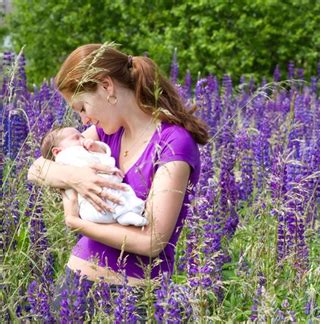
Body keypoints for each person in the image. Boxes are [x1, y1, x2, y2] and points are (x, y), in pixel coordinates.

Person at [27, 43, 209, 317]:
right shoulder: (105, 134)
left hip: (136, 297)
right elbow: (37, 169)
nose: (84, 118)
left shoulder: (173, 143)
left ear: (106, 86)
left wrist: (76, 223)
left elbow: (152, 241)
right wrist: (76, 177)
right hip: (74, 287)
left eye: (82, 107)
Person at [40, 126, 147, 226]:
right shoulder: (66, 157)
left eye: (83, 136)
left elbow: (101, 163)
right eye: (77, 138)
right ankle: (124, 214)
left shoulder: (79, 154)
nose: (83, 139)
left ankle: (130, 212)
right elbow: (104, 164)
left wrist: (97, 149)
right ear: (57, 151)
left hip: (95, 210)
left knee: (124, 193)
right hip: (94, 206)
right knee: (117, 194)